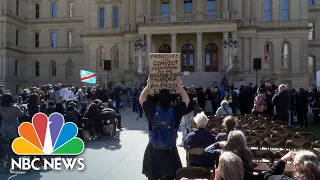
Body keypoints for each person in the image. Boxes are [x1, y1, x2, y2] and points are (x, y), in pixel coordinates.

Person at [140, 76, 189, 180]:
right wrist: (180, 89)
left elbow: (142, 99)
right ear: (171, 100)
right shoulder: (175, 112)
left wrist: (148, 86)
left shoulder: (152, 111)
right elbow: (186, 100)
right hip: (170, 152)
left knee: (153, 176)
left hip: (153, 151)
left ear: (158, 100)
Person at [0, 93, 24, 169]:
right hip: (12, 127)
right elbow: (21, 115)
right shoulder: (15, 107)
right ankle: (10, 161)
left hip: (3, 126)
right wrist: (22, 108)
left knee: (4, 143)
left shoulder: (0, 107)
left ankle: (3, 159)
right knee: (11, 145)